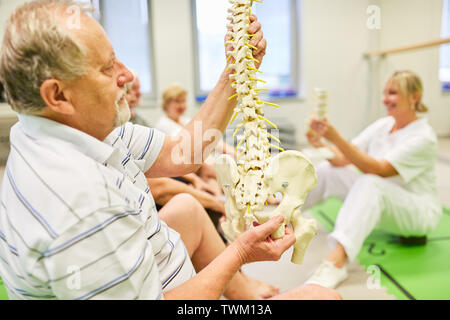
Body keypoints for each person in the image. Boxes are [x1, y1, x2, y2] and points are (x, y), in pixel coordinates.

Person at [0, 0, 340, 300]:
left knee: (186, 207)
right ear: (57, 95)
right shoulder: (81, 204)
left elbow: (183, 154)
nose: (128, 75)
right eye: (107, 68)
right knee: (323, 297)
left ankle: (241, 291)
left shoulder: (79, 129)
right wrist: (238, 252)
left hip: (149, 267)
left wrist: (235, 71)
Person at [303, 71, 442, 289]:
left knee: (370, 181)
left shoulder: (424, 137)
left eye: (393, 93)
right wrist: (321, 144)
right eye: (384, 93)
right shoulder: (383, 125)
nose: (385, 99)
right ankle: (283, 217)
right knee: (327, 169)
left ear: (414, 97)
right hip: (383, 196)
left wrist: (335, 137)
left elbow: (379, 169)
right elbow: (342, 159)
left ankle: (336, 263)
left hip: (418, 213)